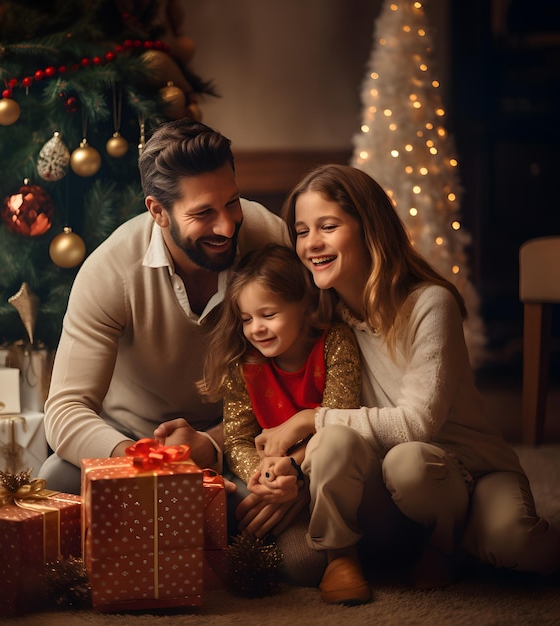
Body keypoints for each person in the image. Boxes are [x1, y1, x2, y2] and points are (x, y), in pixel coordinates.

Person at [246, 164, 560, 606]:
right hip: (393, 479)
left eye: (328, 226)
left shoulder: (430, 303)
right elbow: (274, 390)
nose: (311, 243)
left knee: (518, 546)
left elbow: (419, 423)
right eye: (300, 231)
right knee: (373, 458)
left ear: (369, 228)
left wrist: (308, 420)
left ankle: (449, 543)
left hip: (474, 466)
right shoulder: (323, 316)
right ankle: (375, 552)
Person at [38, 118, 288, 494]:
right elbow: (65, 411)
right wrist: (142, 461)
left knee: (271, 509)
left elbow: (305, 375)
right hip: (131, 444)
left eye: (232, 202)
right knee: (56, 477)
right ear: (158, 211)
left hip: (241, 443)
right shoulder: (110, 271)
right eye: (203, 213)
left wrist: (213, 443)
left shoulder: (269, 239)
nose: (226, 226)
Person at [197, 242, 361, 509]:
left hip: (332, 472)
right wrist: (266, 475)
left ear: (305, 306)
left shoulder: (334, 343)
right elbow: (237, 439)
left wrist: (292, 467)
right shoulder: (245, 363)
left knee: (300, 549)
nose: (256, 329)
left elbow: (340, 419)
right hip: (277, 474)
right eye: (246, 319)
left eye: (268, 315)